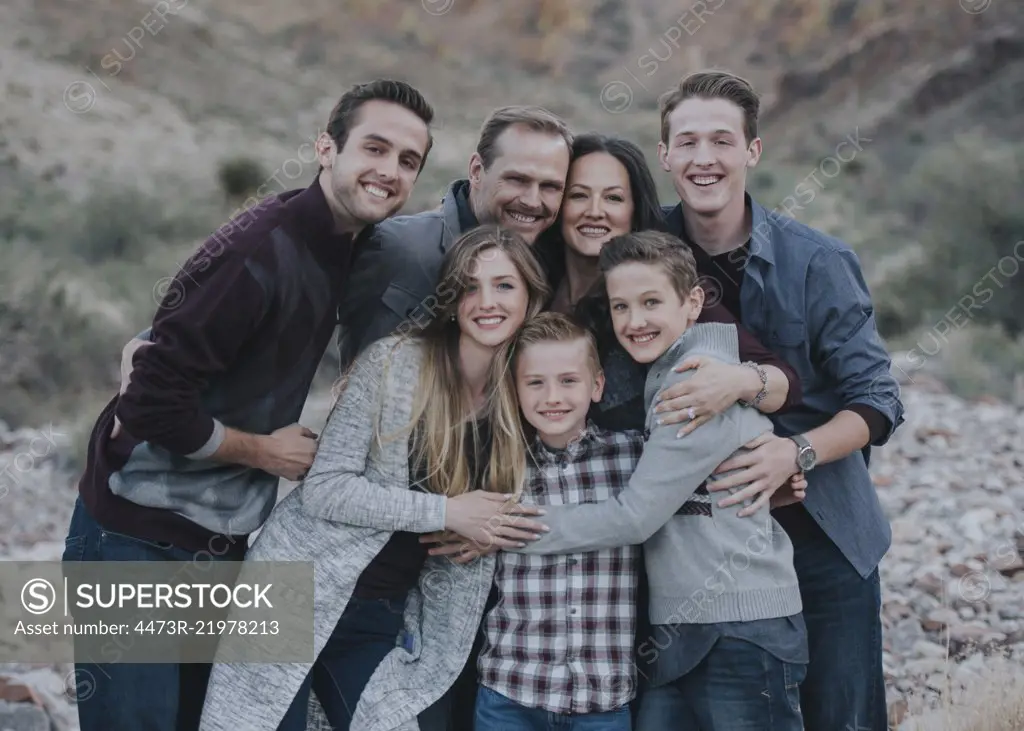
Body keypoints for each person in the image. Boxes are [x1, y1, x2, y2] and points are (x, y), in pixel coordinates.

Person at [61, 79, 436, 731]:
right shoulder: (260, 248)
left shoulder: (342, 246)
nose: (389, 171)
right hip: (133, 532)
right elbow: (150, 401)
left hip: (217, 538)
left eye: (408, 161)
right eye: (374, 148)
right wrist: (264, 451)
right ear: (327, 147)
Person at [198, 225, 552, 731]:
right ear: (450, 300)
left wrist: (488, 534)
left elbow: (529, 496)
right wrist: (445, 511)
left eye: (504, 285)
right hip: (296, 589)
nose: (486, 301)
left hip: (380, 614)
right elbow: (323, 489)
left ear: (531, 297)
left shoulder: (524, 393)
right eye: (470, 286)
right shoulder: (394, 364)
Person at [655, 70, 905, 730]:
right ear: (665, 156)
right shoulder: (642, 256)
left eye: (721, 140)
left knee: (840, 716)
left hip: (822, 533)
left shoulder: (818, 260)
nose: (703, 158)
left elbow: (877, 401)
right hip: (697, 544)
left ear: (752, 151)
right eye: (687, 142)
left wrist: (793, 451)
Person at [512, 231, 808, 731]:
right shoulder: (672, 371)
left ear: (693, 303)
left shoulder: (695, 383)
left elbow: (635, 516)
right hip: (689, 625)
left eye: (651, 302)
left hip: (737, 626)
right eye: (621, 306)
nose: (634, 321)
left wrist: (506, 528)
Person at [473, 312, 644, 730]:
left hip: (602, 700)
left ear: (597, 385)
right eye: (535, 383)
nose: (552, 396)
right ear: (515, 389)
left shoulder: (635, 458)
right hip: (510, 691)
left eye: (569, 381)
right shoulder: (497, 469)